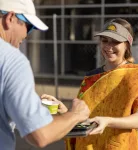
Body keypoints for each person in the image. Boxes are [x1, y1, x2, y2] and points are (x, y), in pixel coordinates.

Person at [0, 0, 90, 150]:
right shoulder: (11, 61)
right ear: (10, 18)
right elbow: (40, 134)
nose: (27, 35)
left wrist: (28, 104)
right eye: (28, 27)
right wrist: (76, 114)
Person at [65, 18, 138, 150]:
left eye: (115, 41)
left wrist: (108, 121)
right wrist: (63, 110)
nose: (108, 47)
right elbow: (83, 117)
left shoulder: (137, 77)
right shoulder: (90, 77)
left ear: (127, 44)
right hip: (88, 145)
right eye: (105, 41)